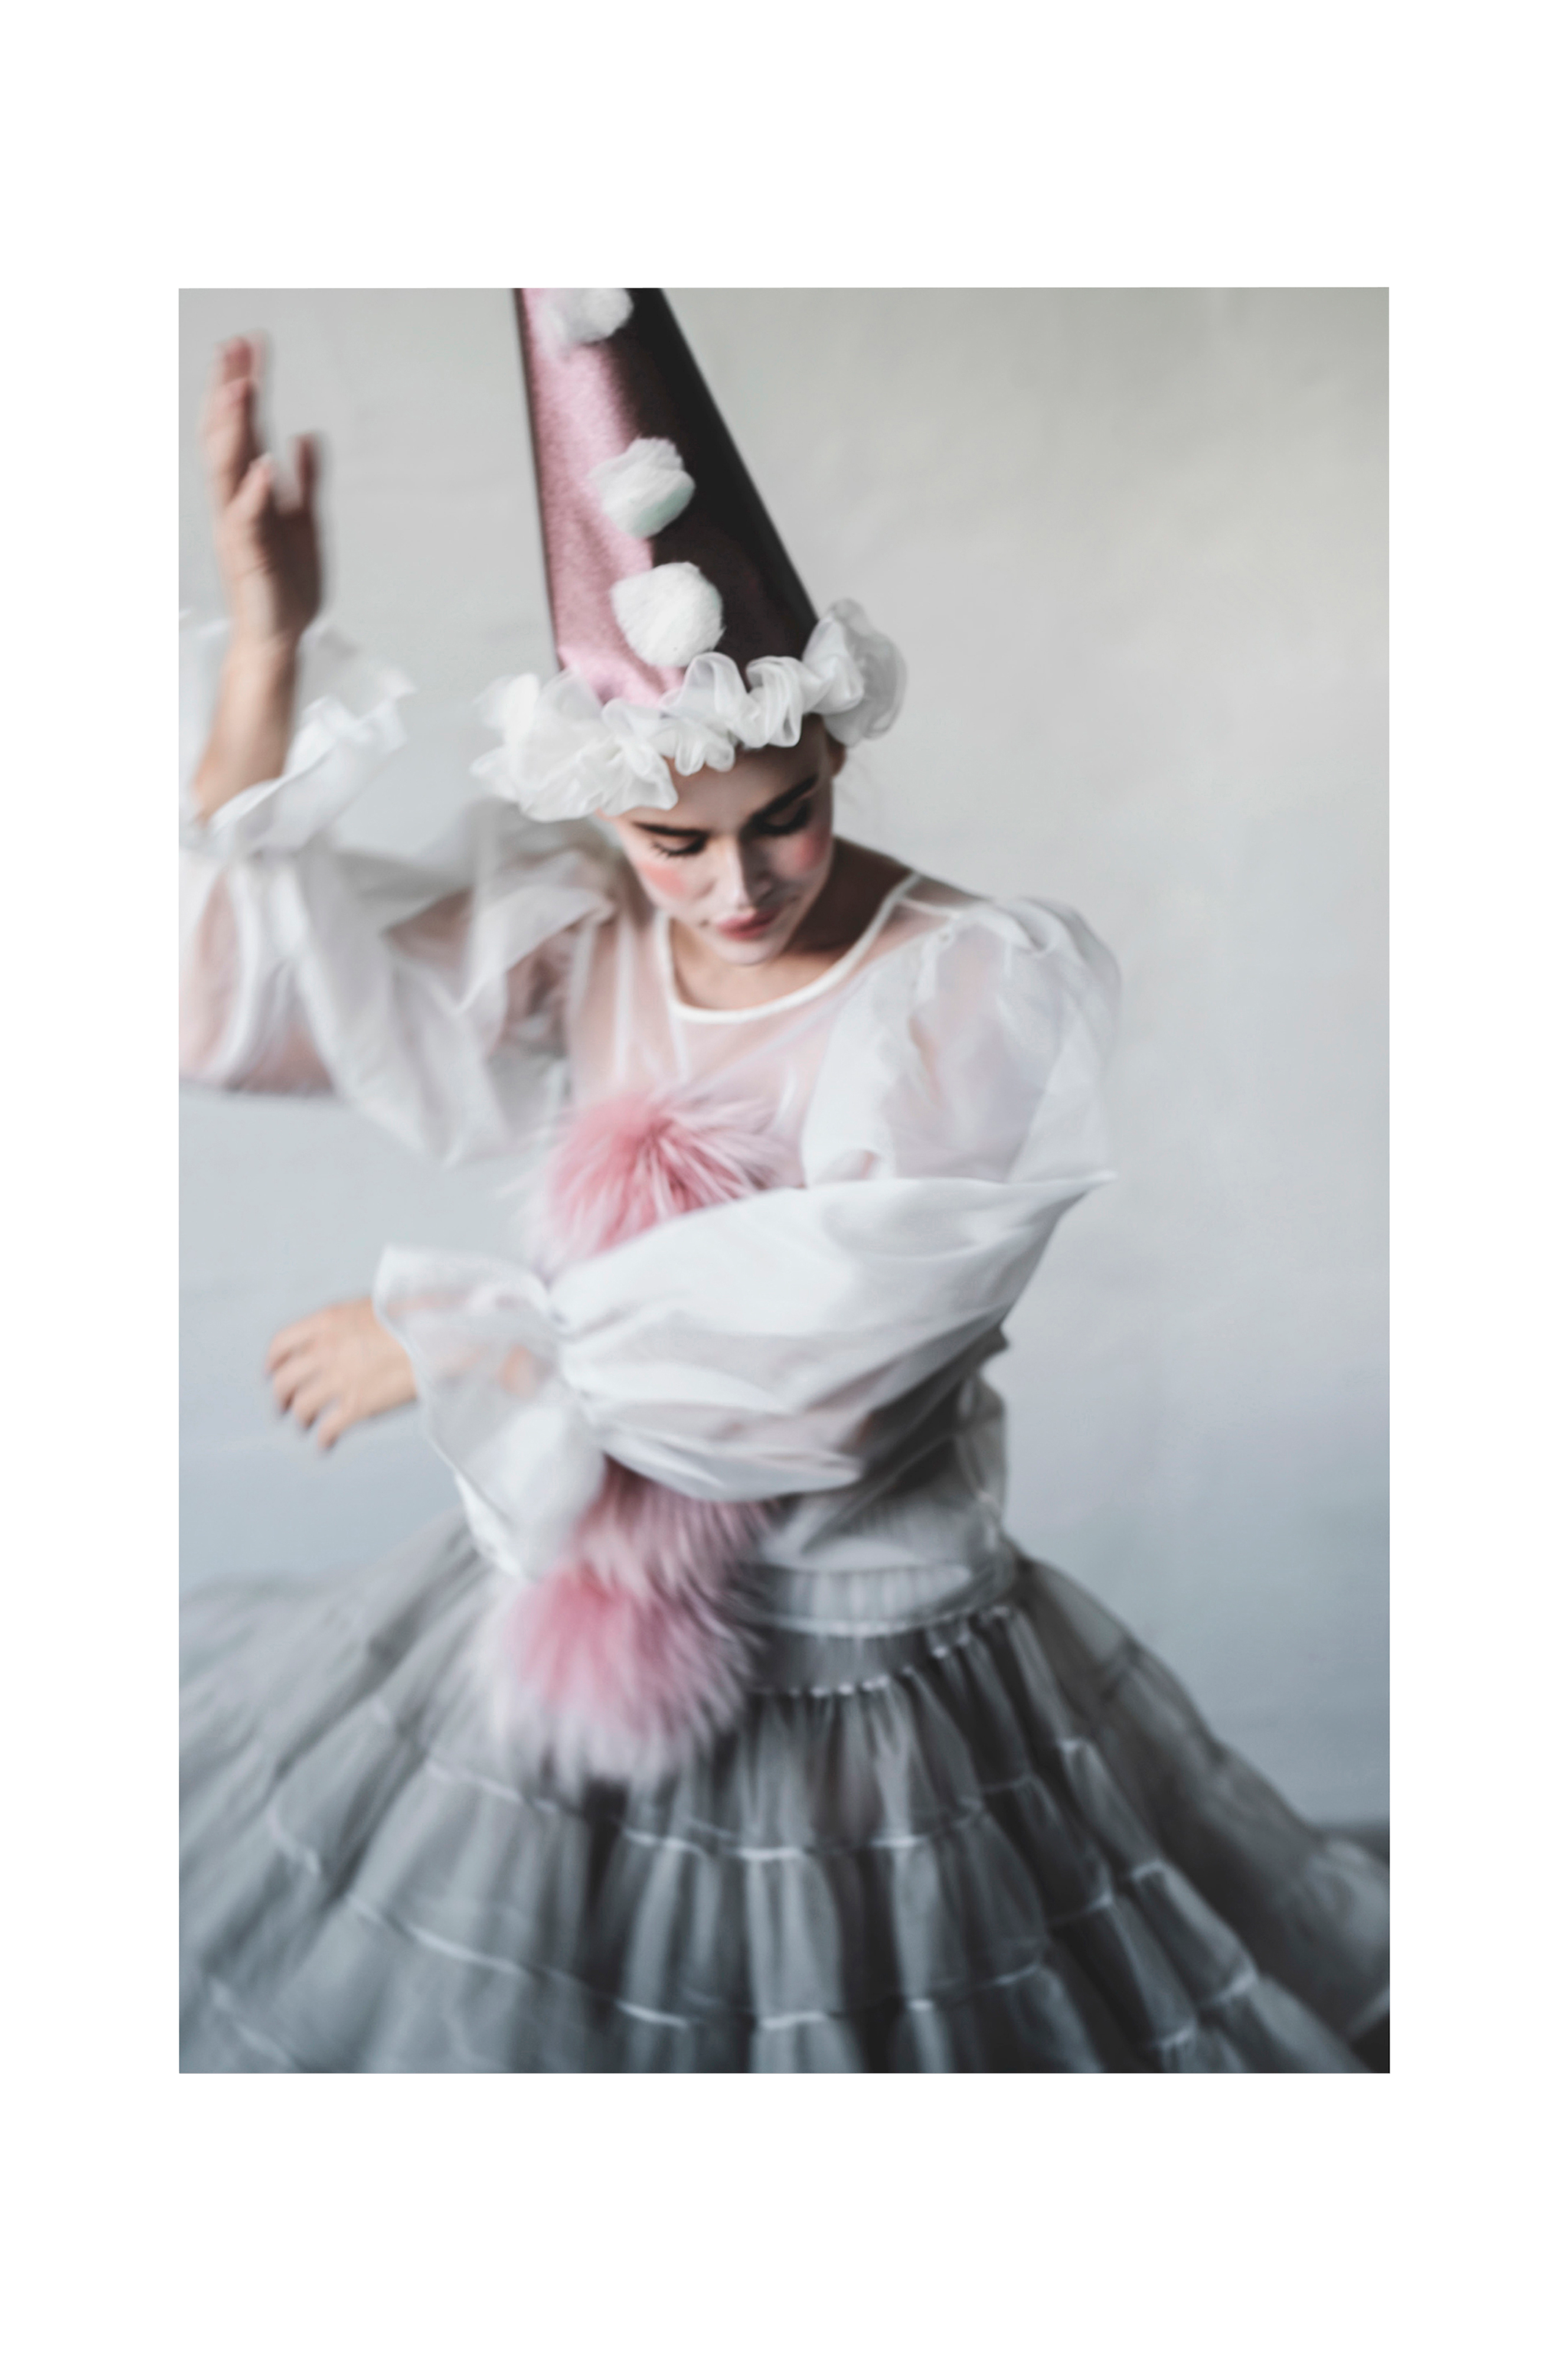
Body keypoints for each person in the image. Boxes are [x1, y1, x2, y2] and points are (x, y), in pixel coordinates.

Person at [180, 291, 1389, 2073]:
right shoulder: (583, 927)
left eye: (786, 816)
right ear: (603, 814)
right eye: (674, 839)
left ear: (834, 751)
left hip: (854, 1641)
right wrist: (268, 653)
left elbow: (832, 1360)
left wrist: (470, 1338)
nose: (738, 888)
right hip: (589, 1599)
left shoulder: (958, 983)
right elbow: (241, 1002)